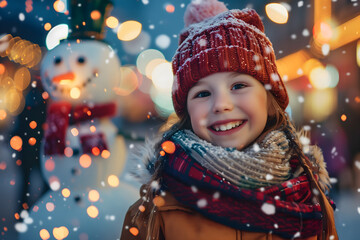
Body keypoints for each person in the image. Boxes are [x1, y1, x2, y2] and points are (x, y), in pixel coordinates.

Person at [120, 0, 338, 239]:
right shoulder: (154, 212)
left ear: (269, 98)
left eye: (238, 85)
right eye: (203, 93)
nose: (221, 104)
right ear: (187, 113)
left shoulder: (310, 198)